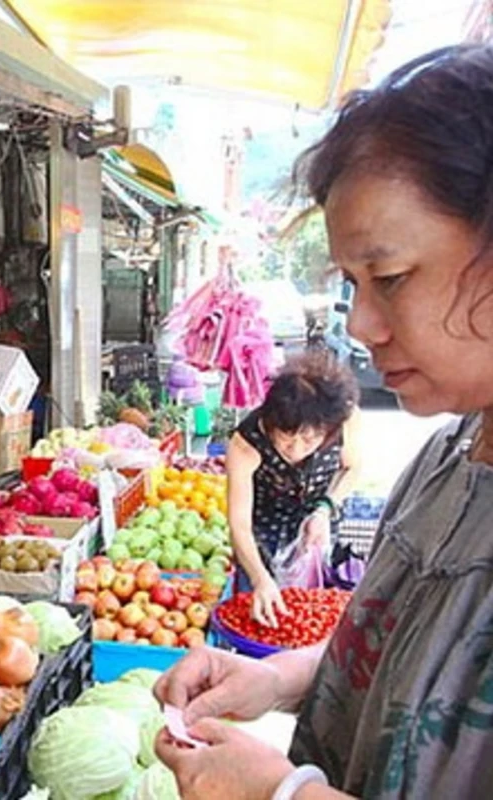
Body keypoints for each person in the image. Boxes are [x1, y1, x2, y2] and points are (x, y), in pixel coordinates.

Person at [154, 45, 493, 799]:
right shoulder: (448, 455)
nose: (364, 324)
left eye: (392, 277)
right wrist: (279, 678)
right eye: (350, 284)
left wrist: (283, 793)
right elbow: (408, 670)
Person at [227, 351, 362, 626]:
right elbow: (239, 524)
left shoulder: (344, 420)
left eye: (310, 441)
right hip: (264, 532)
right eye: (286, 440)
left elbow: (353, 468)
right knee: (261, 613)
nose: (297, 451)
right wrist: (260, 577)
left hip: (319, 521)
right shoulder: (246, 442)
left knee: (313, 616)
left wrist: (324, 509)